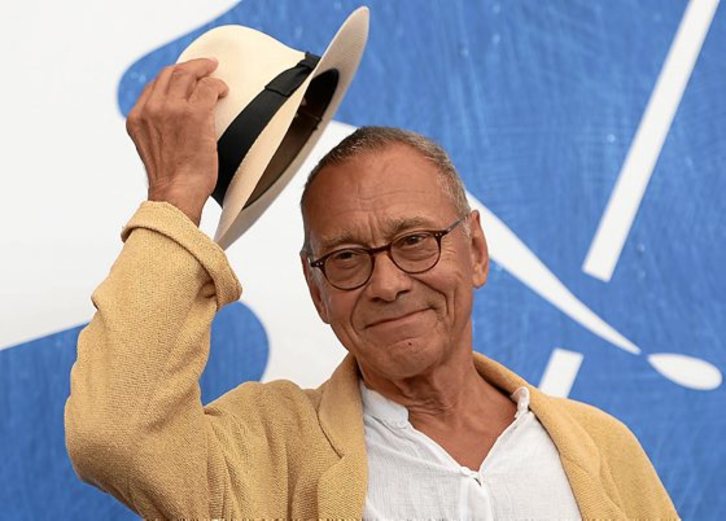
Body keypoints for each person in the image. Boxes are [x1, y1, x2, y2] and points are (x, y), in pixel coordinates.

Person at [65, 58, 679, 520]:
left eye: (414, 241)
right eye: (347, 258)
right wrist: (175, 197)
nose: (387, 284)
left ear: (476, 250)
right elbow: (113, 434)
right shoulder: (270, 454)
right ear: (317, 291)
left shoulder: (601, 447)